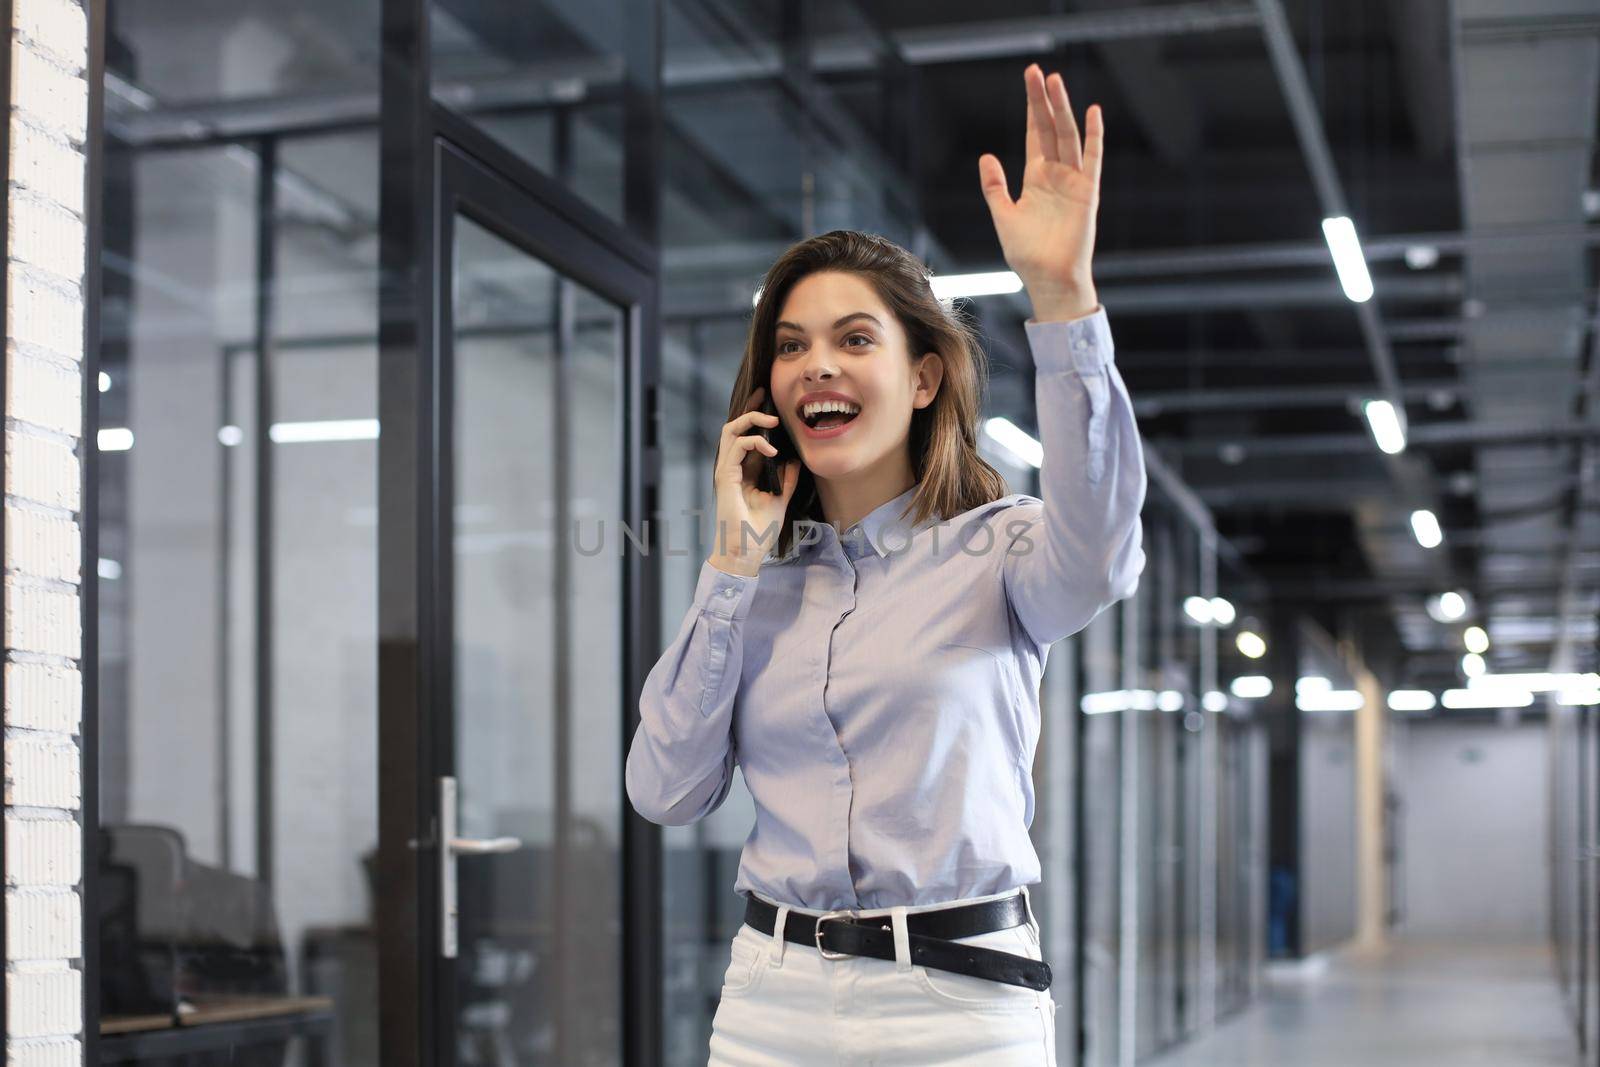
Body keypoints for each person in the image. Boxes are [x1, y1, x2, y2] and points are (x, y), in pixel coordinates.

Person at [626, 63, 1146, 1066]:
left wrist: (1060, 295)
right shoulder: (757, 585)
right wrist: (732, 564)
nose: (814, 363)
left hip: (957, 1001)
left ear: (921, 376)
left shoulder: (1006, 547)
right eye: (790, 346)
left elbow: (1103, 550)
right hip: (770, 998)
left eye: (852, 338)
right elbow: (663, 787)